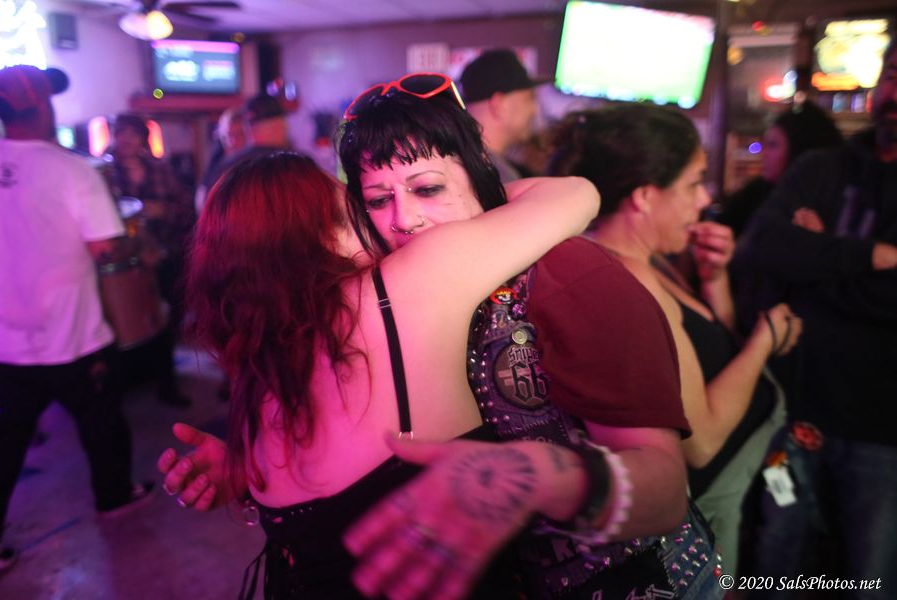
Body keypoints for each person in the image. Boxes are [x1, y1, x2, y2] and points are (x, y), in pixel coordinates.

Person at [162, 75, 714, 599]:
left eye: (428, 188)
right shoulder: (316, 334)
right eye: (374, 201)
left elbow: (666, 487)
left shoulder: (565, 269)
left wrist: (542, 477)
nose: (404, 220)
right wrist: (251, 465)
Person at [549, 104, 803, 571]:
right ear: (645, 196)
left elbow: (713, 354)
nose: (704, 199)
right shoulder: (630, 279)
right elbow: (701, 441)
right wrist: (764, 341)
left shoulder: (652, 261)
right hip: (710, 514)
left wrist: (714, 280)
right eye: (693, 183)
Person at [733, 40, 897, 599]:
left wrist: (816, 258)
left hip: (882, 430)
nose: (894, 92)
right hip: (794, 414)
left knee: (869, 575)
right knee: (775, 559)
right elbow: (762, 245)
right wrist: (867, 257)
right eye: (892, 75)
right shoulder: (821, 166)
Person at [0, 65, 154, 572]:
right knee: (102, 423)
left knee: (6, 442)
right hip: (73, 336)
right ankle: (114, 497)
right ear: (43, 106)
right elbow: (105, 249)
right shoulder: (72, 171)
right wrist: (134, 241)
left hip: (6, 339)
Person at [101, 112, 195, 407]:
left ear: (143, 138)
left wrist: (162, 210)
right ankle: (129, 382)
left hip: (163, 256)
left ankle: (167, 383)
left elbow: (185, 208)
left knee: (164, 321)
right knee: (122, 323)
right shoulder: (103, 172)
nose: (126, 139)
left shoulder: (160, 169)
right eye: (121, 133)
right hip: (123, 263)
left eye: (133, 133)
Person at [720, 101, 843, 238]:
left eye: (773, 145)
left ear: (799, 152)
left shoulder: (836, 208)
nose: (764, 154)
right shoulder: (753, 196)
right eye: (765, 145)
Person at [460, 48, 545, 182]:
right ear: (499, 105)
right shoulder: (497, 176)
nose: (534, 110)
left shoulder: (454, 161)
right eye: (529, 99)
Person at [195, 106, 247, 214]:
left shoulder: (252, 163)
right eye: (229, 135)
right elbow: (202, 196)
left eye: (239, 135)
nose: (233, 141)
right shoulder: (216, 161)